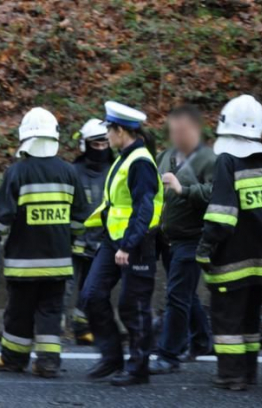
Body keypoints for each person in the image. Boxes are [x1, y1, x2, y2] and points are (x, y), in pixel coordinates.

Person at [195, 95, 262, 391]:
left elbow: (222, 215)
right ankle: (249, 373)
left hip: (231, 259)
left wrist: (205, 248)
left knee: (227, 320)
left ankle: (231, 376)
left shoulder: (226, 160)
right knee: (251, 318)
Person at [0, 107, 86, 378]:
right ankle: (48, 362)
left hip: (23, 264)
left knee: (19, 312)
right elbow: (80, 219)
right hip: (59, 263)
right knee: (51, 312)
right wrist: (69, 240)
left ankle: (13, 360)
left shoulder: (17, 173)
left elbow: (1, 217)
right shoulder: (69, 172)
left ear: (25, 139)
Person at [80, 101, 164, 386]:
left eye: (108, 130)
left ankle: (138, 368)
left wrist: (128, 245)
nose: (106, 136)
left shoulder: (140, 161)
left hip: (135, 243)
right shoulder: (124, 157)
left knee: (134, 306)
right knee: (90, 295)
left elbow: (145, 208)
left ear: (120, 130)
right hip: (112, 240)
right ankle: (111, 357)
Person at [149, 105, 215, 374]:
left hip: (193, 238)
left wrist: (183, 189)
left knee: (176, 295)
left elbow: (216, 193)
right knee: (186, 294)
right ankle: (201, 340)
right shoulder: (164, 156)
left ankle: (168, 356)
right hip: (167, 239)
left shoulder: (209, 159)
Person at [69, 119, 114, 345]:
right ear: (85, 145)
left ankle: (84, 327)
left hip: (104, 242)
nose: (100, 149)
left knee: (93, 289)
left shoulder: (116, 170)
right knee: (66, 288)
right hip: (73, 242)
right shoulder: (73, 171)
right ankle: (53, 330)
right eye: (95, 145)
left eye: (104, 144)